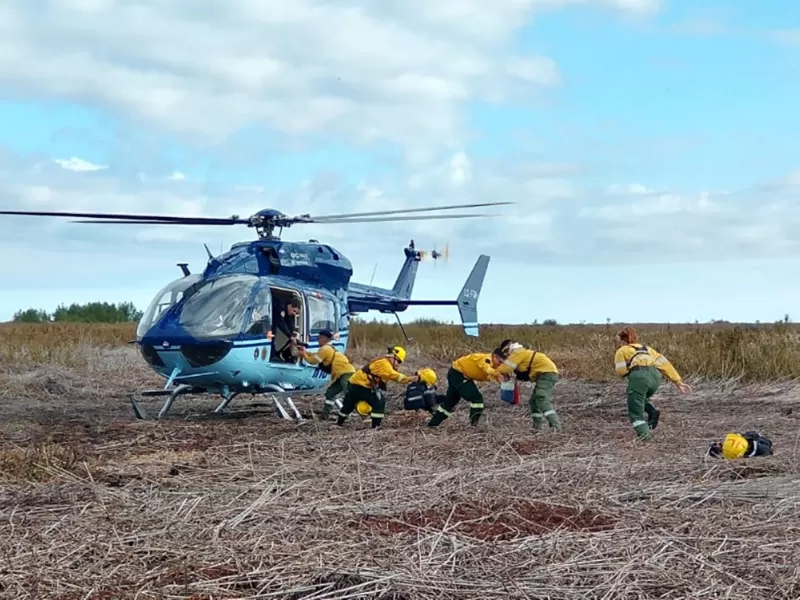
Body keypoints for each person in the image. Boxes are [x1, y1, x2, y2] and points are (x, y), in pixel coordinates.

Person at [614, 326, 692, 441]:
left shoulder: (622, 351)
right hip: (655, 377)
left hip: (640, 378)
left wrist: (631, 369)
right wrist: (678, 382)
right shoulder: (647, 349)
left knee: (635, 412)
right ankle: (652, 412)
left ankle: (645, 437)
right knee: (638, 398)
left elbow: (621, 371)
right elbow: (665, 364)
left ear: (622, 340)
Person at [336, 346, 418, 429]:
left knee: (349, 403)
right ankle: (376, 426)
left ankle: (339, 422)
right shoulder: (383, 364)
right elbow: (392, 375)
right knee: (379, 402)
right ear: (392, 356)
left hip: (353, 383)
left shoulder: (382, 361)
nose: (397, 364)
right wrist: (408, 379)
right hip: (362, 385)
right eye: (398, 361)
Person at [491, 340, 563, 431]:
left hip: (547, 374)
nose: (506, 354)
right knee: (533, 401)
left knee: (541, 397)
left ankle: (556, 427)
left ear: (510, 347)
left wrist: (492, 369)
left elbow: (505, 368)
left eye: (506, 351)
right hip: (545, 374)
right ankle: (537, 427)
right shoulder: (521, 353)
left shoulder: (517, 353)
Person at [427, 352, 504, 427]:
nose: (500, 364)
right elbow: (486, 369)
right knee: (477, 398)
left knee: (450, 402)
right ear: (494, 356)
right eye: (499, 362)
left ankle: (433, 423)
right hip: (458, 375)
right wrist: (497, 374)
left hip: (456, 374)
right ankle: (474, 423)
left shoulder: (495, 366)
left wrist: (501, 379)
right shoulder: (486, 359)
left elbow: (489, 375)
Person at [298, 329, 355, 419]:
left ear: (324, 339)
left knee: (349, 393)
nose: (318, 340)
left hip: (346, 373)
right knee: (330, 393)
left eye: (319, 338)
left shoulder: (325, 349)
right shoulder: (328, 348)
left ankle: (361, 410)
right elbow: (315, 355)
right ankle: (325, 415)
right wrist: (305, 351)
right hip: (340, 374)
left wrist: (303, 355)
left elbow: (313, 361)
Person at [271, 298, 302, 362]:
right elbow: (281, 323)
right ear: (289, 306)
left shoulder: (287, 312)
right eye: (294, 311)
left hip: (273, 326)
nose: (294, 314)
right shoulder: (280, 309)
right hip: (270, 326)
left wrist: (292, 334)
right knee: (272, 338)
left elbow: (288, 323)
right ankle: (273, 356)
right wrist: (290, 336)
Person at [708, 431, 774, 460]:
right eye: (716, 444)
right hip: (755, 445)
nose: (718, 443)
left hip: (755, 449)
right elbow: (737, 434)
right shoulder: (728, 440)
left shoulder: (728, 457)